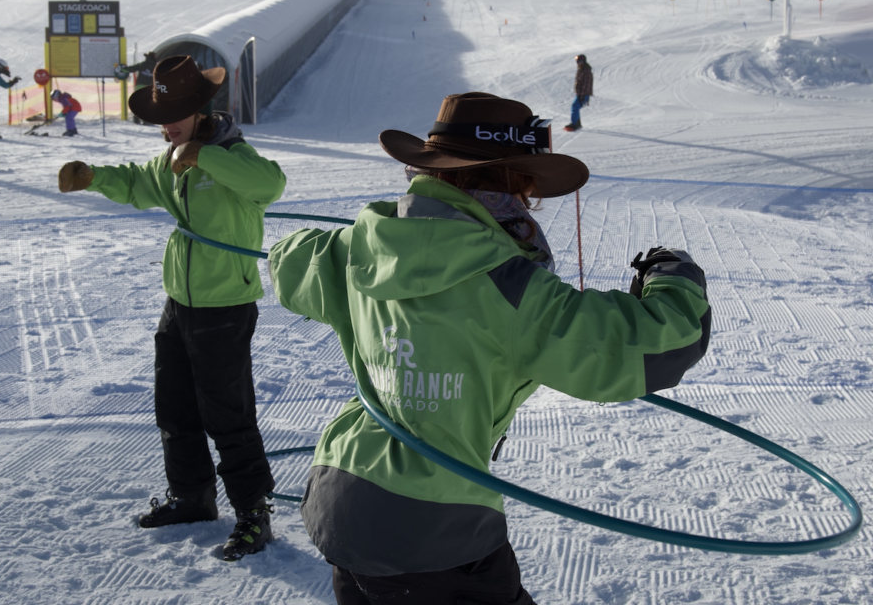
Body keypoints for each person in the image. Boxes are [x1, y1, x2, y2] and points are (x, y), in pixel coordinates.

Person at [267, 92, 711, 604]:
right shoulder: (510, 287)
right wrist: (674, 274)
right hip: (431, 531)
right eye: (524, 189)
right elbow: (656, 343)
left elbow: (288, 260)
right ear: (506, 184)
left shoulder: (361, 248)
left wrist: (338, 247)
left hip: (341, 495)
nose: (527, 204)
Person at [56, 55, 285, 561]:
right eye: (161, 115)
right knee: (175, 407)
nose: (165, 125)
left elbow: (272, 184)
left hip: (225, 304)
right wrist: (93, 176)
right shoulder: (173, 156)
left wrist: (205, 157)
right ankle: (193, 497)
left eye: (174, 114)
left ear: (200, 111)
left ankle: (253, 513)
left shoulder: (230, 151)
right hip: (179, 301)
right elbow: (140, 182)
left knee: (227, 415)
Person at [126, 51, 158, 125]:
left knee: (138, 104)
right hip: (149, 88)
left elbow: (133, 68)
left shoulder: (142, 64)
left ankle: (136, 119)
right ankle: (146, 120)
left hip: (139, 87)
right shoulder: (156, 66)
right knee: (147, 104)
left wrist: (123, 69)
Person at [565, 53, 593, 132]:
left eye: (581, 61)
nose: (579, 62)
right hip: (581, 94)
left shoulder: (586, 71)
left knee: (574, 107)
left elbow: (587, 84)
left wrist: (582, 95)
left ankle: (575, 124)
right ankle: (577, 123)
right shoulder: (581, 70)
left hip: (583, 94)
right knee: (575, 107)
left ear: (584, 61)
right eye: (578, 61)